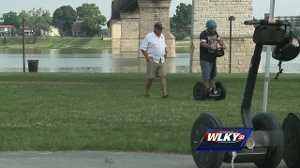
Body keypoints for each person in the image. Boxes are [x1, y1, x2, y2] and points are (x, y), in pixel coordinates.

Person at [140, 22, 168, 98]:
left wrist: (166, 52)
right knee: (151, 78)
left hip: (161, 60)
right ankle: (146, 92)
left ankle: (164, 94)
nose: (161, 31)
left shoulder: (162, 36)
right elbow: (143, 48)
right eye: (159, 29)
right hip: (152, 60)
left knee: (163, 76)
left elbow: (164, 46)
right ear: (155, 29)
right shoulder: (149, 36)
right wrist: (147, 58)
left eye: (161, 29)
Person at [200, 20, 225, 96]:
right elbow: (202, 44)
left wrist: (223, 45)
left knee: (212, 76)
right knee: (206, 77)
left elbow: (220, 40)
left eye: (215, 28)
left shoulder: (215, 33)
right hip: (205, 59)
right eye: (212, 28)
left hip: (213, 58)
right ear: (208, 28)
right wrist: (209, 46)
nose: (214, 29)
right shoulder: (203, 34)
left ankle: (213, 91)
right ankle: (206, 92)